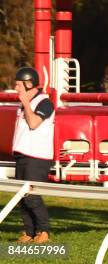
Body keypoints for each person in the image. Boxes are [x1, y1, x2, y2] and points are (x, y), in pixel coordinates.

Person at [11, 67, 55, 243]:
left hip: (37, 157)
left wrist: (27, 104)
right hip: (23, 155)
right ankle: (29, 232)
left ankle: (43, 231)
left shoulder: (45, 103)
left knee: (32, 197)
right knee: (22, 197)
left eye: (18, 85)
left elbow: (34, 123)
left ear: (29, 84)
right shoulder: (23, 105)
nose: (16, 89)